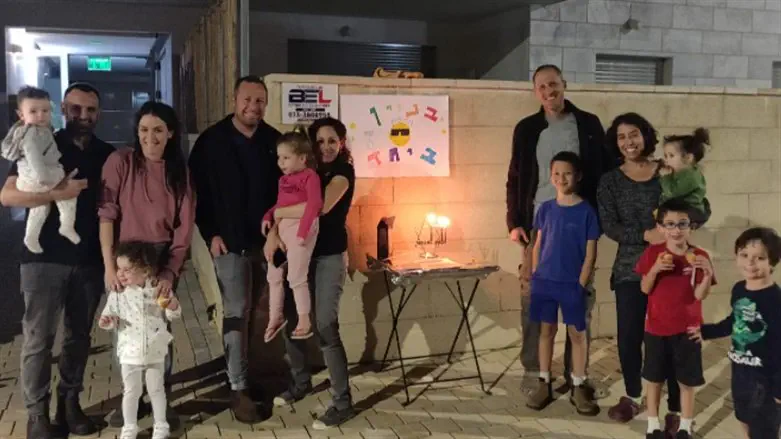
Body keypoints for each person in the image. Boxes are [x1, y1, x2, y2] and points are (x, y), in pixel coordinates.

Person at [0, 82, 115, 439]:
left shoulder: (108, 154)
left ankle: (69, 404)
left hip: (89, 261)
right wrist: (58, 193)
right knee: (38, 339)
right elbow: (8, 196)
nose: (84, 116)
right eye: (76, 109)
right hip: (42, 259)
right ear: (63, 109)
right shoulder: (42, 139)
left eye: (91, 110)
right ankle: (37, 415)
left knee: (78, 337)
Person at [505, 64, 614, 393]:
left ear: (564, 84)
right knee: (533, 300)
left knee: (579, 297)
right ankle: (534, 371)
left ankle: (575, 374)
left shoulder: (588, 124)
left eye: (553, 84)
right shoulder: (526, 129)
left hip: (577, 222)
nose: (548, 91)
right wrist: (514, 222)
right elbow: (514, 177)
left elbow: (605, 174)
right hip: (539, 224)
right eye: (541, 87)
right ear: (535, 92)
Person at [188, 75, 281, 423]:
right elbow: (197, 195)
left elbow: (285, 192)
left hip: (265, 245)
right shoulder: (211, 142)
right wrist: (209, 233)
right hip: (228, 245)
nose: (253, 107)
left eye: (260, 101)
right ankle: (238, 388)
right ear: (233, 100)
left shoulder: (272, 141)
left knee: (256, 310)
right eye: (247, 99)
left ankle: (245, 372)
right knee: (235, 311)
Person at [99, 101, 195, 429]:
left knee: (158, 329)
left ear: (170, 133)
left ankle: (159, 403)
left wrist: (169, 272)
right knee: (126, 328)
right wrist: (110, 267)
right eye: (143, 130)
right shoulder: (120, 162)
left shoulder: (179, 172)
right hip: (126, 256)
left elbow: (183, 228)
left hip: (159, 258)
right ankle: (132, 398)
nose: (149, 137)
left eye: (157, 130)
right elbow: (107, 216)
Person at [266, 117, 356, 430]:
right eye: (320, 141)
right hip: (300, 252)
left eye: (333, 140)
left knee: (325, 325)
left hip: (329, 256)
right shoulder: (304, 172)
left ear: (342, 143)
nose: (326, 146)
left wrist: (277, 214)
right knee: (293, 317)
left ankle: (342, 401)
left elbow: (320, 208)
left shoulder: (343, 172)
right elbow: (285, 203)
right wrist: (273, 231)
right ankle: (300, 383)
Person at [597, 113, 683, 431]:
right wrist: (644, 234)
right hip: (630, 269)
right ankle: (634, 395)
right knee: (629, 338)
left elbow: (701, 207)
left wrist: (677, 230)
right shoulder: (610, 181)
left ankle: (675, 408)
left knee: (670, 340)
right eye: (621, 137)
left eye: (633, 134)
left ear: (645, 135)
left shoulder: (667, 171)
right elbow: (609, 225)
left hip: (672, 268)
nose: (628, 142)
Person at [525, 151, 599, 416]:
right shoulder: (545, 208)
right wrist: (534, 275)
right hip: (545, 282)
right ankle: (544, 381)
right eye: (556, 173)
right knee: (546, 332)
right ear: (550, 175)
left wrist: (580, 284)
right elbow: (537, 245)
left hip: (572, 285)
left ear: (577, 176)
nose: (561, 178)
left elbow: (590, 253)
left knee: (577, 335)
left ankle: (578, 384)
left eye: (567, 173)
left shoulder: (587, 212)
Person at [689, 227, 781, 439]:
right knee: (744, 418)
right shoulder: (739, 289)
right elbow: (735, 321)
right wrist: (705, 331)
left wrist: (778, 389)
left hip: (764, 379)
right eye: (744, 255)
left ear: (773, 263)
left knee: (764, 430)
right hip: (740, 372)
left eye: (760, 258)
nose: (750, 262)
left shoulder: (774, 300)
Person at [635, 200, 715, 439]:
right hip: (656, 328)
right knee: (654, 378)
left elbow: (700, 295)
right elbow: (644, 288)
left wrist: (708, 274)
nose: (676, 230)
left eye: (682, 224)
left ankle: (685, 425)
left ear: (691, 227)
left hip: (688, 329)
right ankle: (652, 425)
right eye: (670, 224)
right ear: (660, 228)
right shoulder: (653, 253)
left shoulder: (699, 255)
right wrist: (656, 269)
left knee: (686, 380)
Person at [98, 241, 182, 439]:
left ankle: (161, 426)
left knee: (157, 390)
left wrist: (171, 305)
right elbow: (107, 317)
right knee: (131, 392)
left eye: (127, 270)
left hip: (155, 350)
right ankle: (129, 427)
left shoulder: (158, 290)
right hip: (129, 352)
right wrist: (107, 321)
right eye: (119, 269)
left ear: (145, 271)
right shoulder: (118, 294)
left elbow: (174, 315)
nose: (121, 274)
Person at [1, 86, 79, 253]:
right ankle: (66, 225)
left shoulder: (43, 131)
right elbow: (34, 158)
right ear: (21, 115)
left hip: (32, 180)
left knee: (40, 207)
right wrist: (50, 183)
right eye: (34, 111)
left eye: (45, 110)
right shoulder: (31, 134)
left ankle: (31, 236)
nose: (41, 115)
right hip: (37, 177)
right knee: (68, 195)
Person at [261, 129, 322, 342]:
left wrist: (303, 233)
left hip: (301, 226)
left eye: (286, 157)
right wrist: (268, 216)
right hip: (284, 226)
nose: (281, 162)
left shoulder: (310, 176)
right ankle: (275, 316)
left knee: (296, 275)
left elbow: (315, 204)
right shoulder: (283, 180)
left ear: (302, 158)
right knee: (274, 273)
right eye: (279, 157)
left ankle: (304, 319)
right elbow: (280, 205)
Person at [658, 128, 710, 227]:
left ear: (688, 158)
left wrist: (665, 176)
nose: (667, 160)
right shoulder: (679, 173)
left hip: (690, 213)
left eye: (671, 156)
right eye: (665, 156)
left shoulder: (691, 175)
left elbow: (672, 193)